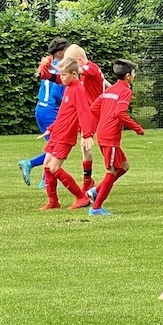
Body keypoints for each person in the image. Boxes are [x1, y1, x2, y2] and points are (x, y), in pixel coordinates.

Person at [86, 59, 144, 216]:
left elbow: (94, 107)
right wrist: (137, 128)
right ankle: (96, 208)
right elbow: (120, 112)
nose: (134, 76)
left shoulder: (109, 90)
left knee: (124, 167)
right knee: (111, 171)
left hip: (103, 133)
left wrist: (104, 120)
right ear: (127, 76)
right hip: (109, 136)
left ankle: (96, 191)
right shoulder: (125, 91)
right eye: (134, 73)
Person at [39, 57, 94, 211]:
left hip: (65, 135)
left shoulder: (78, 90)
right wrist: (52, 128)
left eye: (64, 75)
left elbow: (84, 112)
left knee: (54, 168)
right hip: (57, 133)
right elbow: (64, 113)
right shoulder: (69, 87)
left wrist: (87, 134)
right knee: (47, 165)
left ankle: (82, 198)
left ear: (74, 74)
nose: (61, 78)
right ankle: (53, 202)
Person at [20, 36, 69, 188]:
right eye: (67, 50)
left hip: (40, 109)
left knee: (52, 146)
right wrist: (66, 106)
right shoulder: (62, 68)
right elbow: (55, 94)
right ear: (59, 53)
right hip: (51, 111)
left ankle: (45, 180)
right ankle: (33, 167)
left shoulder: (47, 66)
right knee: (56, 147)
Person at [62, 44, 106, 195]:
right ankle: (88, 181)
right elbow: (103, 81)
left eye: (73, 63)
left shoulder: (90, 68)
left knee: (86, 145)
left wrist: (58, 68)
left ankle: (88, 182)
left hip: (94, 113)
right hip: (88, 112)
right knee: (84, 146)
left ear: (80, 60)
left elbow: (77, 70)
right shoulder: (91, 70)